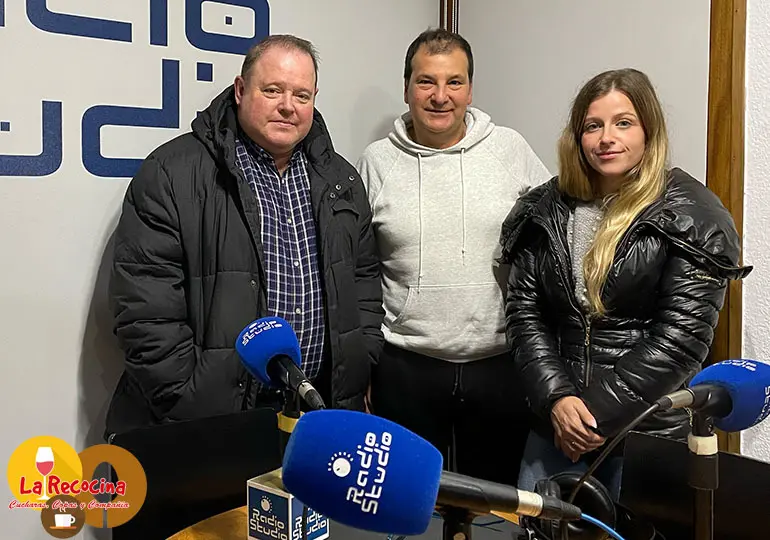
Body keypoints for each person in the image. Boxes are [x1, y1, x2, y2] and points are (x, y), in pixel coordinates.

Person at [104, 34, 384, 439]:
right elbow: (145, 306)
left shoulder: (341, 179)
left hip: (320, 409)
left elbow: (364, 279)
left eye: (302, 95)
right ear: (240, 89)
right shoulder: (172, 173)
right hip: (215, 417)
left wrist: (361, 357)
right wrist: (188, 399)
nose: (288, 106)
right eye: (273, 90)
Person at [499, 68, 752, 500]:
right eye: (592, 126)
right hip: (554, 427)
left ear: (648, 131)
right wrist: (558, 400)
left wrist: (594, 414)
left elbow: (682, 338)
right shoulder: (545, 207)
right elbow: (525, 313)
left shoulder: (693, 213)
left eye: (623, 123)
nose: (606, 138)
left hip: (645, 432)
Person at [356, 28, 551, 486]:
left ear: (470, 88)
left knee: (497, 506)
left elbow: (554, 238)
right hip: (405, 366)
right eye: (426, 82)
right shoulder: (376, 161)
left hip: (499, 363)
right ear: (406, 88)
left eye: (454, 82)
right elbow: (358, 266)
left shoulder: (510, 149)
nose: (440, 96)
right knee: (403, 501)